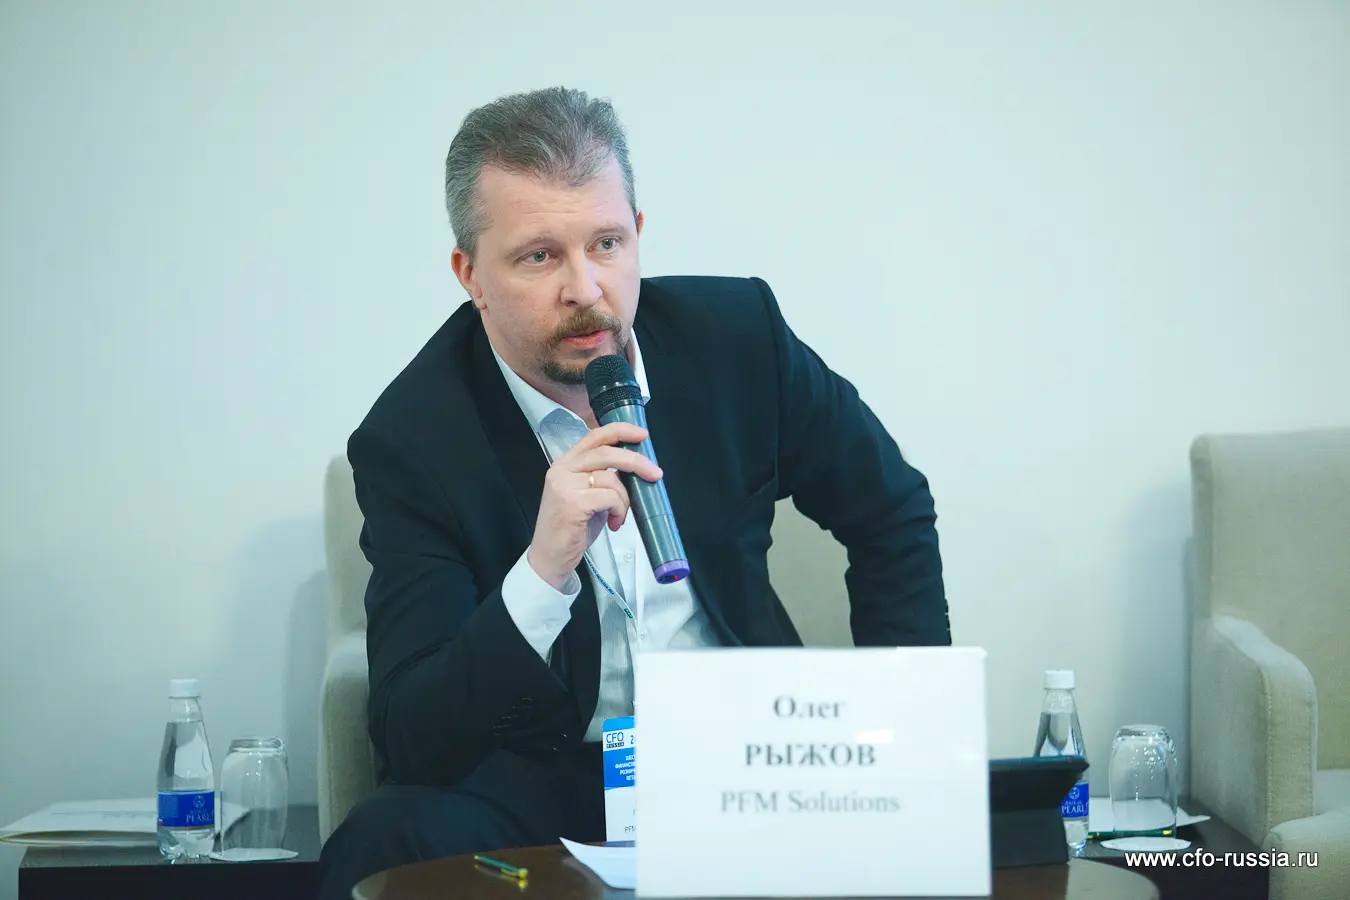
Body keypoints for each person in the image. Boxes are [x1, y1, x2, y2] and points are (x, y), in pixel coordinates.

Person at [317, 86, 951, 899]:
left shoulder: (739, 338)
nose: (586, 288)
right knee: (382, 842)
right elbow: (413, 736)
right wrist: (541, 574)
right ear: (470, 275)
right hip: (544, 778)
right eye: (539, 257)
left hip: (744, 759)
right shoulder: (414, 440)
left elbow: (891, 508)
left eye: (607, 244)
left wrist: (902, 731)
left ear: (638, 234)